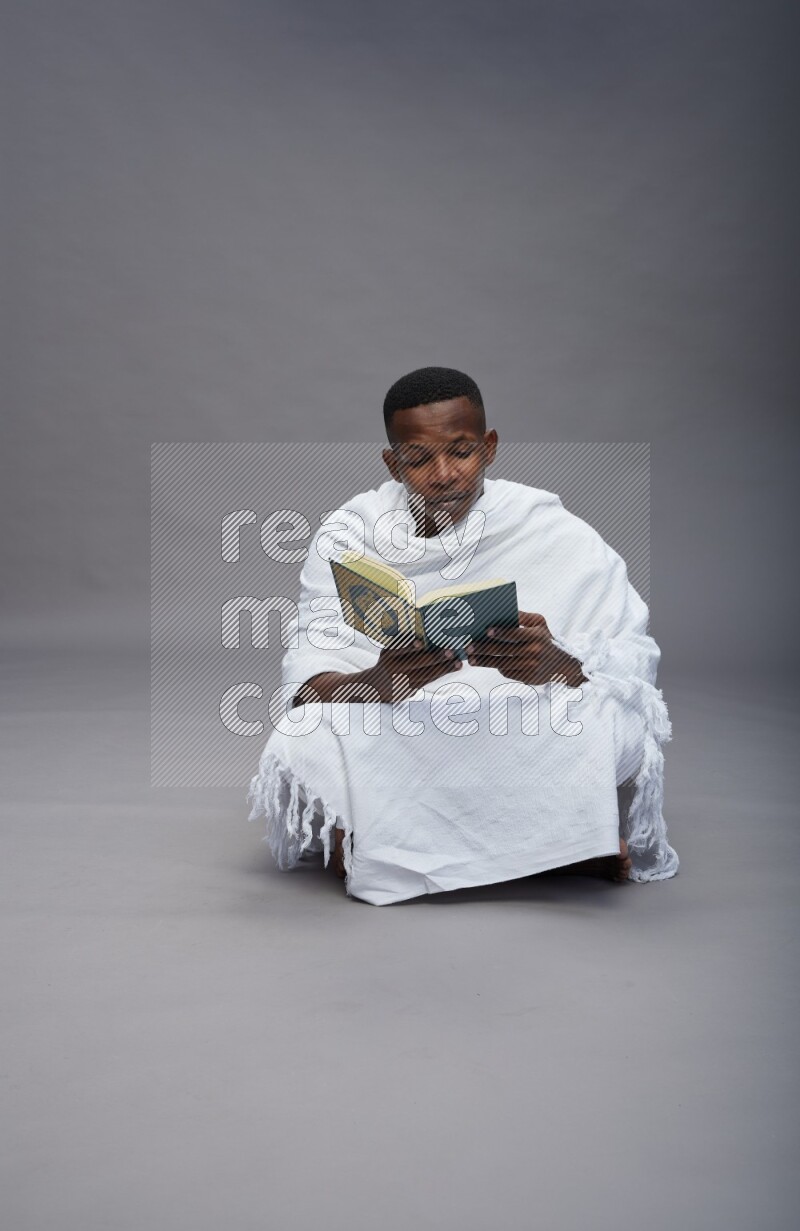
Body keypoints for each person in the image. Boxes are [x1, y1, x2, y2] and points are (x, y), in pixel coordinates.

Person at [247, 367, 678, 905]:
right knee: (308, 729)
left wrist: (559, 665)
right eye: (419, 459)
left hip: (521, 710)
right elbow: (305, 689)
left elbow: (633, 672)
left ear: (490, 447)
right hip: (403, 716)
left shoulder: (552, 529)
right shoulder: (351, 534)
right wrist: (377, 682)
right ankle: (562, 847)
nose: (445, 474)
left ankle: (376, 845)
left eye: (462, 451)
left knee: (606, 717)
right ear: (392, 462)